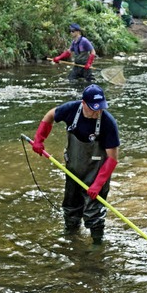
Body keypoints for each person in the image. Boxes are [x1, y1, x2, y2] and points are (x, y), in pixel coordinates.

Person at [31, 84, 120, 243]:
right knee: (71, 208)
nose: (98, 112)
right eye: (94, 108)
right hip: (74, 170)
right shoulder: (71, 110)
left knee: (94, 213)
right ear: (83, 103)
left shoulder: (108, 123)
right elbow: (50, 116)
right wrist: (39, 140)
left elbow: (112, 158)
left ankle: (97, 245)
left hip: (97, 173)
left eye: (101, 107)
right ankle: (71, 239)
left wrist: (98, 184)